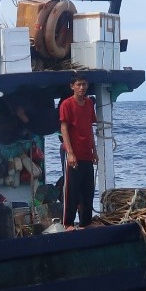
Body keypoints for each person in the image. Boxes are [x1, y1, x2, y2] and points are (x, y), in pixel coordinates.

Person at [57, 75, 97, 228]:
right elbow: (64, 128)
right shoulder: (67, 104)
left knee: (88, 190)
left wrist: (94, 150)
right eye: (78, 84)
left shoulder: (88, 104)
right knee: (72, 191)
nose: (82, 87)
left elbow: (89, 128)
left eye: (84, 84)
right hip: (74, 154)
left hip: (87, 153)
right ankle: (68, 223)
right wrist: (70, 153)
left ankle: (86, 223)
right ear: (72, 86)